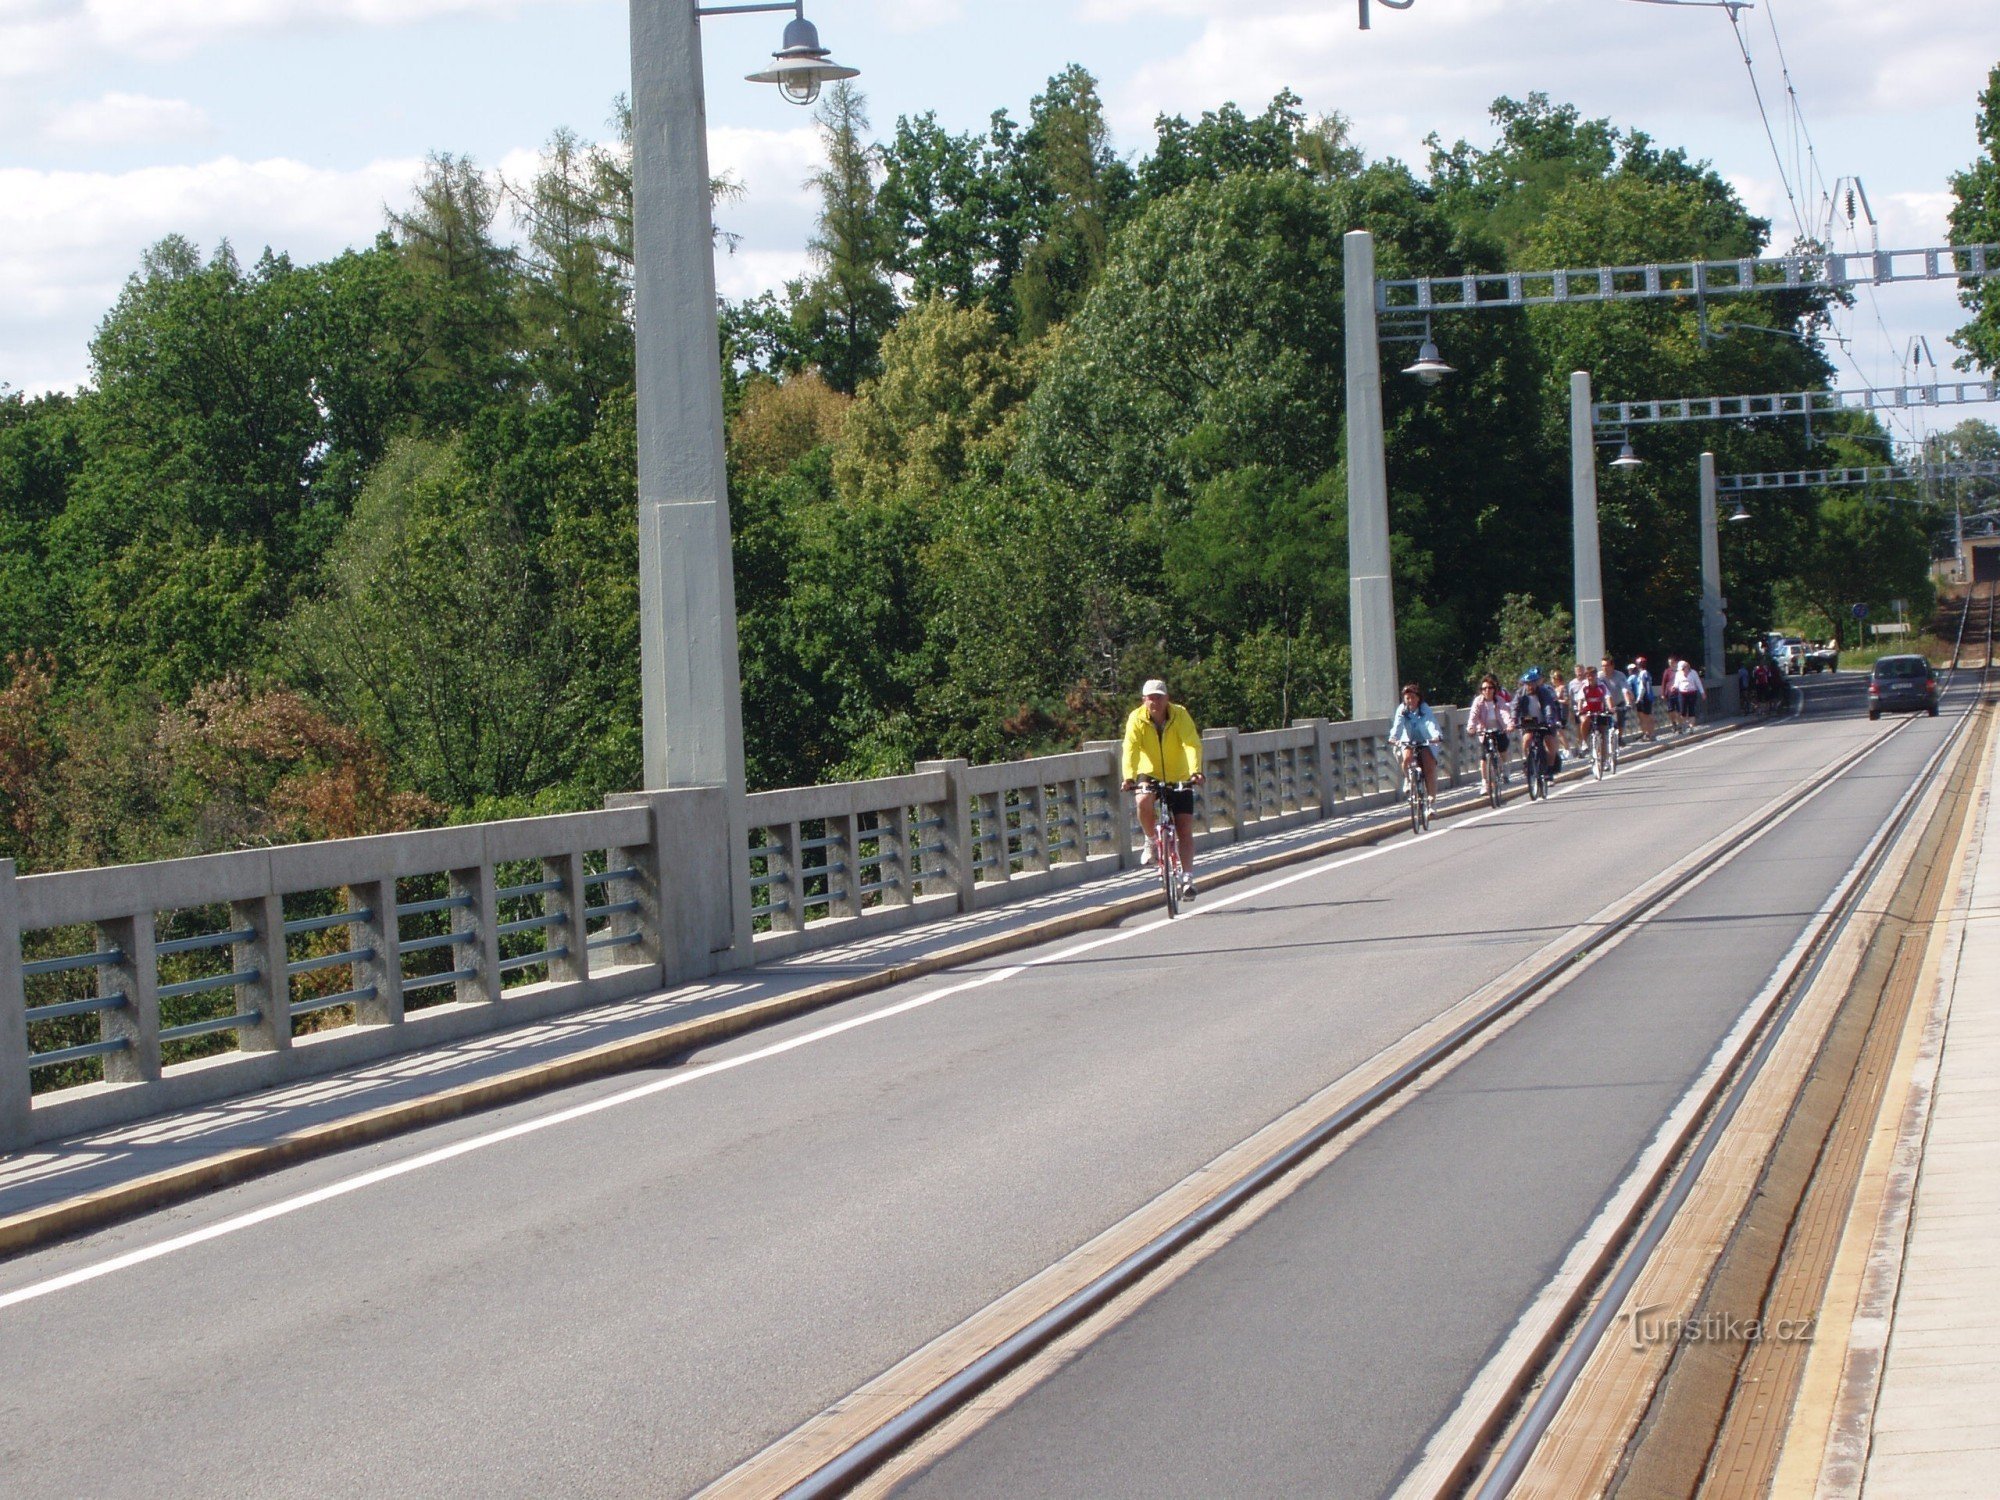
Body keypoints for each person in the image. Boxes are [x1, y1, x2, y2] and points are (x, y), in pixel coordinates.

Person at [1120, 678, 1205, 898]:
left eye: (1159, 697)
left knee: (1184, 829)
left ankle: (1187, 878)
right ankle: (1150, 840)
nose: (1154, 702)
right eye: (1150, 698)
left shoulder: (1180, 714)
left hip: (1179, 774)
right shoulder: (1136, 718)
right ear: (1143, 700)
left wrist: (1195, 770)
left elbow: (1191, 743)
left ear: (1167, 698)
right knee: (1142, 799)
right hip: (1150, 772)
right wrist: (1129, 777)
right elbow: (1130, 748)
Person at [1390, 682, 1444, 809]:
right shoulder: (1402, 710)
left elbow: (1430, 722)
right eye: (1407, 698)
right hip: (1408, 739)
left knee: (1429, 767)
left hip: (1425, 739)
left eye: (1413, 697)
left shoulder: (1424, 708)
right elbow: (1398, 726)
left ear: (1418, 698)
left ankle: (1431, 802)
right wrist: (1394, 738)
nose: (1410, 701)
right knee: (1407, 758)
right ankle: (1408, 780)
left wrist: (1435, 736)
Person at [1465, 673, 1515, 798]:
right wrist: (1471, 727)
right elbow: (1473, 715)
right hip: (1485, 730)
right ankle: (1485, 783)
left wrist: (1509, 725)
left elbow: (1505, 713)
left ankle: (1504, 770)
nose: (1487, 691)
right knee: (1484, 757)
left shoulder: (1499, 701)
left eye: (1490, 688)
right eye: (1484, 688)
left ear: (1494, 689)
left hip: (1499, 729)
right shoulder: (1478, 701)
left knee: (1503, 749)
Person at [1513, 668, 1563, 782]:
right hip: (1529, 720)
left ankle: (1549, 770)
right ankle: (1527, 762)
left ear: (1536, 683)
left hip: (1544, 720)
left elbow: (1548, 706)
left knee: (1549, 741)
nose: (1529, 686)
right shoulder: (1520, 693)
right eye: (1527, 684)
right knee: (1527, 739)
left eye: (1531, 683)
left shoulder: (1544, 691)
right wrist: (1513, 721)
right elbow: (1514, 707)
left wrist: (1550, 720)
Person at [1572, 663, 1614, 768]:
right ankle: (1585, 742)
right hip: (1588, 711)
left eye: (1592, 675)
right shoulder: (1584, 687)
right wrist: (1579, 709)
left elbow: (1607, 697)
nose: (1590, 678)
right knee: (1584, 720)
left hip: (1600, 710)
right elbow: (1580, 699)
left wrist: (1610, 708)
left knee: (1603, 735)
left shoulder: (1601, 686)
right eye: (1588, 676)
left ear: (1596, 676)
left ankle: (1604, 760)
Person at [1600, 655, 1633, 745]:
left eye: (1607, 665)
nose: (1605, 668)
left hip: (1619, 702)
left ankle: (1619, 738)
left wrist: (1628, 702)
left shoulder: (1620, 675)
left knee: (1620, 720)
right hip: (1605, 705)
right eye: (1603, 666)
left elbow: (1625, 689)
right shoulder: (1599, 677)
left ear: (1612, 666)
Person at [1628, 656, 1657, 741]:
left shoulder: (1642, 673)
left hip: (1645, 698)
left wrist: (1639, 698)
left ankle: (1649, 734)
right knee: (1645, 716)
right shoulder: (1646, 673)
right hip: (1646, 697)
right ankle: (1648, 733)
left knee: (1646, 717)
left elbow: (1642, 687)